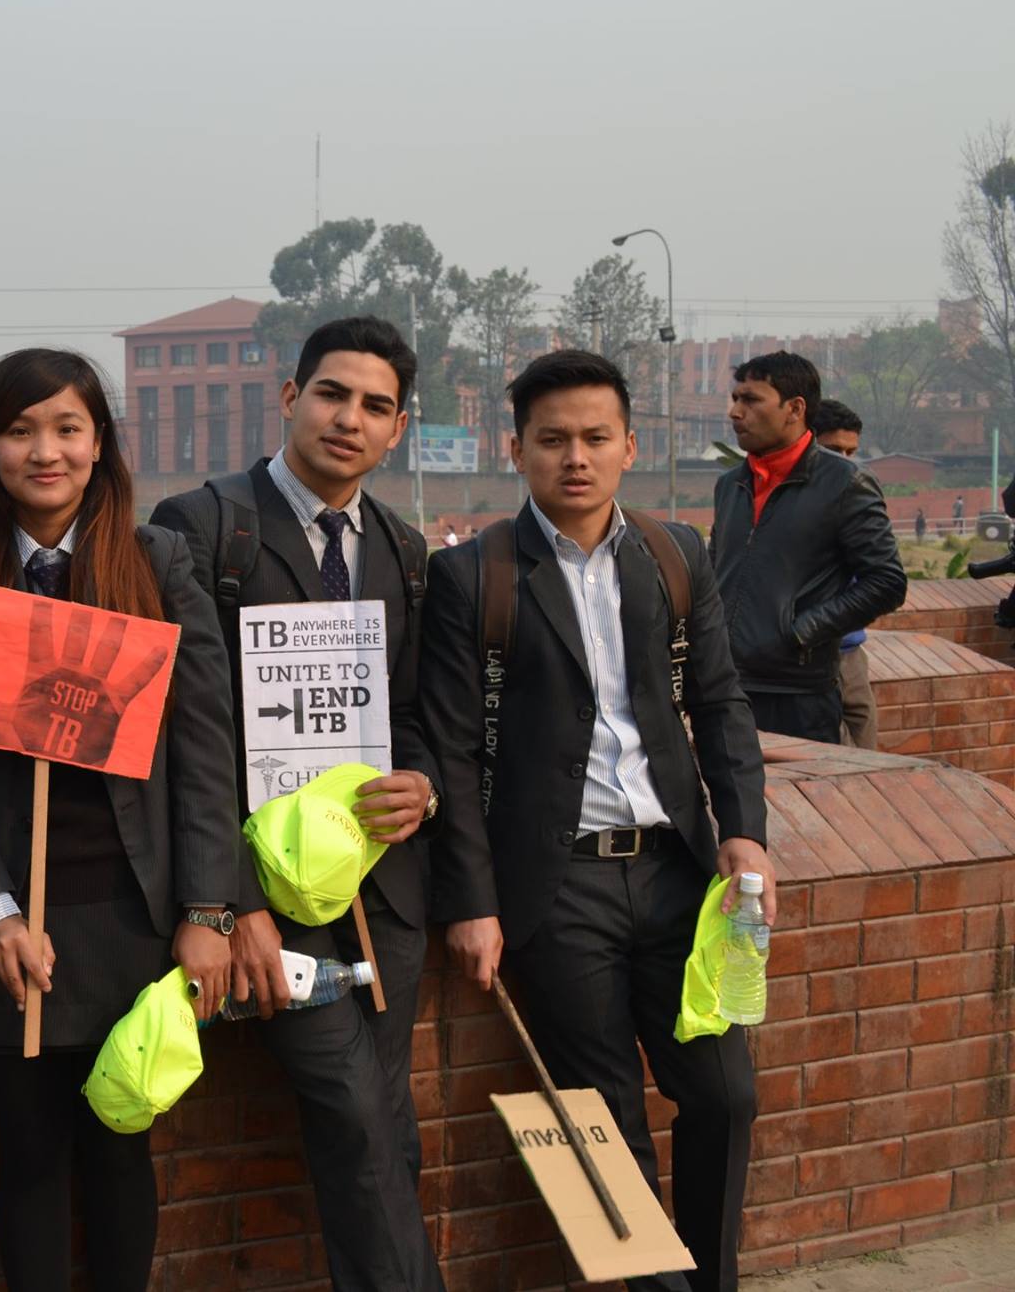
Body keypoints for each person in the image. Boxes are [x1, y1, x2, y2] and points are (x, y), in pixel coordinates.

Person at [422, 350, 770, 1292]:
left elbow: (722, 699)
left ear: (627, 445)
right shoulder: (472, 574)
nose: (575, 457)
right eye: (552, 439)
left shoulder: (673, 553)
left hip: (676, 872)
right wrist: (473, 900)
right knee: (600, 1118)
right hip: (556, 887)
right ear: (518, 448)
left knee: (725, 1094)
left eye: (594, 437)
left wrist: (745, 828)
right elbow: (449, 751)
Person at [0, 348, 236, 1292]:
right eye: (19, 430)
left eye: (65, 427)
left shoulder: (159, 562)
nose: (43, 450)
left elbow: (206, 752)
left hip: (133, 927)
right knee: (32, 1156)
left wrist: (211, 911)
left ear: (100, 443)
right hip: (13, 932)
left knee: (118, 1151)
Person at [150, 315, 444, 1290]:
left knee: (384, 1123)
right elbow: (183, 740)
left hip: (379, 893)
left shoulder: (403, 550)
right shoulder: (202, 528)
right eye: (330, 395)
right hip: (268, 905)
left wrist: (423, 782)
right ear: (288, 397)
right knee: (354, 1113)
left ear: (398, 427)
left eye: (373, 406)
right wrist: (232, 904)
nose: (346, 420)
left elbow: (417, 713)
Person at [712, 352, 905, 743]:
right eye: (735, 399)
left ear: (794, 408)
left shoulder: (844, 482)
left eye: (750, 400)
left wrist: (801, 631)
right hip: (728, 686)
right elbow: (717, 570)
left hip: (798, 694)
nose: (736, 412)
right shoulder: (731, 484)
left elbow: (886, 581)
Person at [809, 400, 879, 749]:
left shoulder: (857, 503)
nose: (845, 460)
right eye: (834, 450)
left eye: (852, 451)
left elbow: (877, 577)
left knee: (868, 756)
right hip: (808, 657)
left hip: (851, 651)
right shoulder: (790, 504)